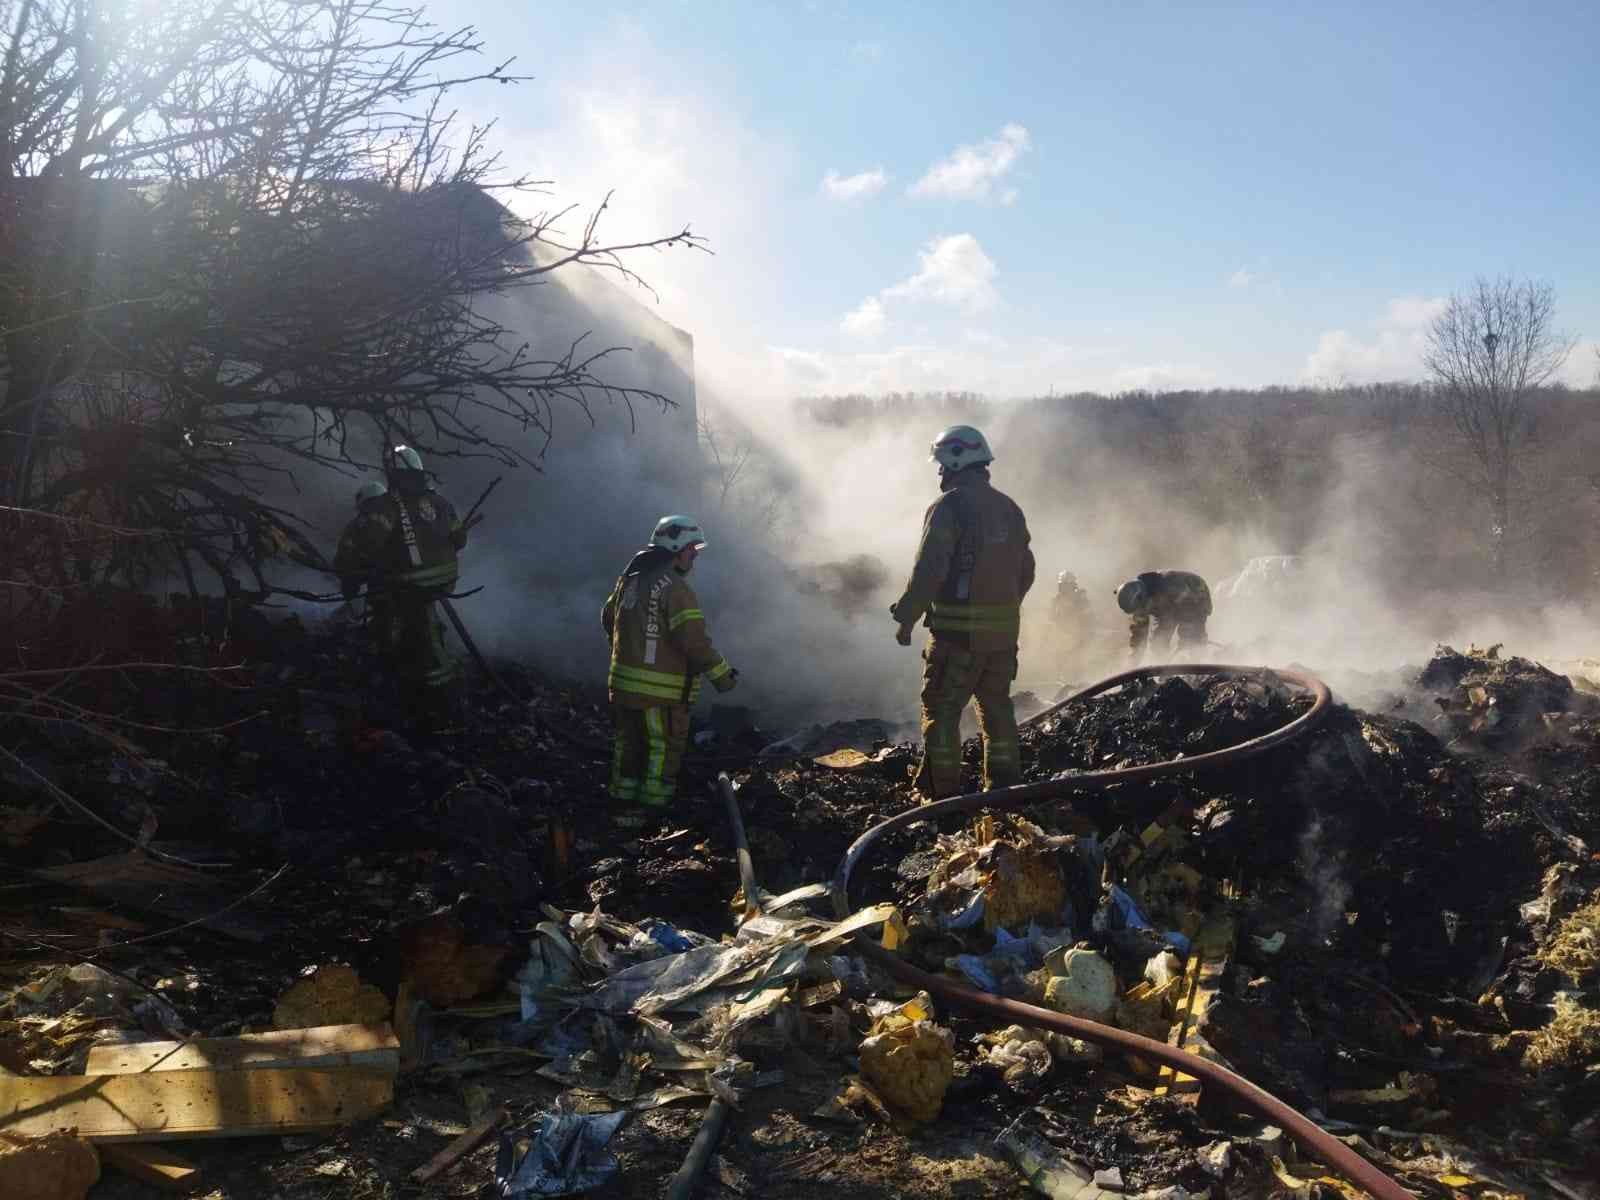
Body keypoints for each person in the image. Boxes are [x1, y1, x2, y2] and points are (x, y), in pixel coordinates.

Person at [890, 425, 1035, 799]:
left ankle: (942, 798)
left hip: (956, 639)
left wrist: (907, 616)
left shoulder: (949, 507)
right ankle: (1003, 789)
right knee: (997, 712)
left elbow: (929, 571)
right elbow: (1026, 570)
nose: (940, 473)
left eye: (942, 465)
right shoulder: (1009, 508)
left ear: (957, 461)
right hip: (1003, 639)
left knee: (941, 713)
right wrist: (1002, 606)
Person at [602, 514, 738, 825]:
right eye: (692, 549)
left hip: (622, 687)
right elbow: (693, 642)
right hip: (659, 694)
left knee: (629, 743)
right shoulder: (676, 589)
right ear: (676, 548)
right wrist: (723, 676)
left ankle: (621, 800)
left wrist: (630, 653)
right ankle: (653, 810)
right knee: (661, 747)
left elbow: (609, 619)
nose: (696, 555)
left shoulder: (630, 580)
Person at [333, 446, 467, 732]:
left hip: (407, 586)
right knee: (424, 631)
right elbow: (459, 539)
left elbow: (366, 545)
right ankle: (436, 693)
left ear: (394, 473)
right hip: (442, 582)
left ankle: (420, 695)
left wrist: (352, 577)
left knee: (402, 636)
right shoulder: (441, 502)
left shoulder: (387, 507)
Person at [1116, 570, 1212, 662]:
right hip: (1169, 608)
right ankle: (1162, 669)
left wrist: (1187, 640)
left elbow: (1189, 616)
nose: (1139, 613)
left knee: (1191, 641)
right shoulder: (1142, 602)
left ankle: (1198, 667)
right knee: (1157, 643)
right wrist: (1134, 660)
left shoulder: (1173, 587)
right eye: (1136, 612)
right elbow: (1139, 637)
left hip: (1196, 597)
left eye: (1140, 609)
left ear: (1144, 598)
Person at [1049, 570, 1091, 669]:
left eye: (1066, 586)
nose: (1064, 589)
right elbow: (1051, 617)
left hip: (1078, 636)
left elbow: (1087, 618)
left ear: (1072, 586)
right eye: (1062, 586)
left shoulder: (1081, 599)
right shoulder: (1056, 600)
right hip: (1061, 636)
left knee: (1077, 662)